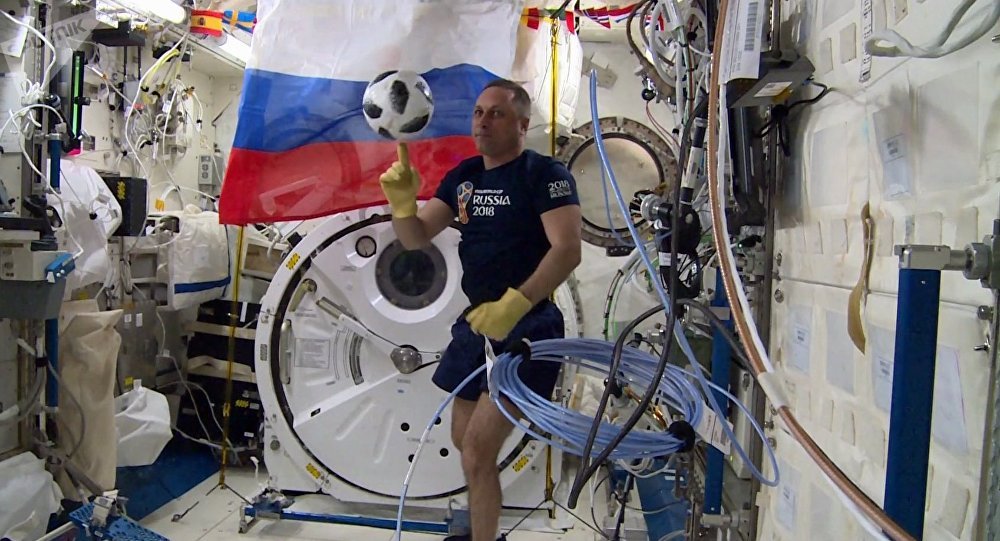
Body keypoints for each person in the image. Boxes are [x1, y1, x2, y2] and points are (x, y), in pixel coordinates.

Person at [378, 78, 582, 541]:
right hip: (479, 323)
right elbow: (414, 239)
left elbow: (568, 249)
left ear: (522, 124)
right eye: (477, 112)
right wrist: (402, 204)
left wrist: (518, 303)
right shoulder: (464, 177)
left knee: (476, 447)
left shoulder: (544, 174)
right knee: (465, 445)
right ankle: (482, 533)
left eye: (497, 113)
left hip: (531, 324)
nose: (483, 121)